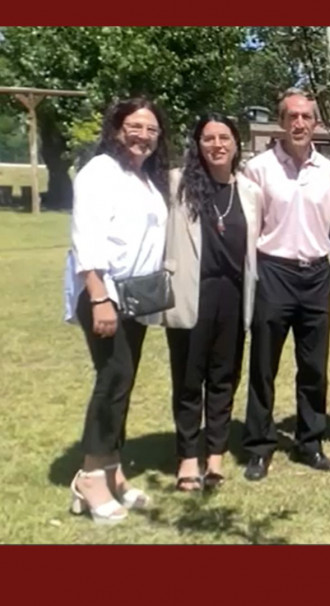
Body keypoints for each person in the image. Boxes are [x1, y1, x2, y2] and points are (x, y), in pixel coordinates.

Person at [62, 97, 170, 523]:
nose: (143, 136)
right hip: (104, 294)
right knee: (112, 380)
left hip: (136, 297)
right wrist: (99, 296)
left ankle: (112, 471)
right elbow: (86, 237)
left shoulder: (143, 178)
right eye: (135, 126)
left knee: (122, 382)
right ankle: (89, 477)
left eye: (151, 130)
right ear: (116, 127)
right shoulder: (100, 172)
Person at [242, 88, 330, 481]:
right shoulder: (259, 168)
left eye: (306, 117)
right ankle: (259, 446)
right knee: (264, 364)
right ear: (281, 122)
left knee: (313, 366)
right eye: (292, 116)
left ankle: (310, 442)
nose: (299, 123)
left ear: (315, 123)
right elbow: (249, 228)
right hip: (274, 272)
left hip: (317, 274)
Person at [162, 113, 263, 491]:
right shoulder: (177, 185)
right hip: (191, 294)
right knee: (189, 380)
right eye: (208, 138)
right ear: (198, 144)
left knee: (224, 378)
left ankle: (216, 455)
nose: (217, 145)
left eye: (224, 138)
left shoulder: (250, 193)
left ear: (236, 144)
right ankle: (188, 458)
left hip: (234, 298)